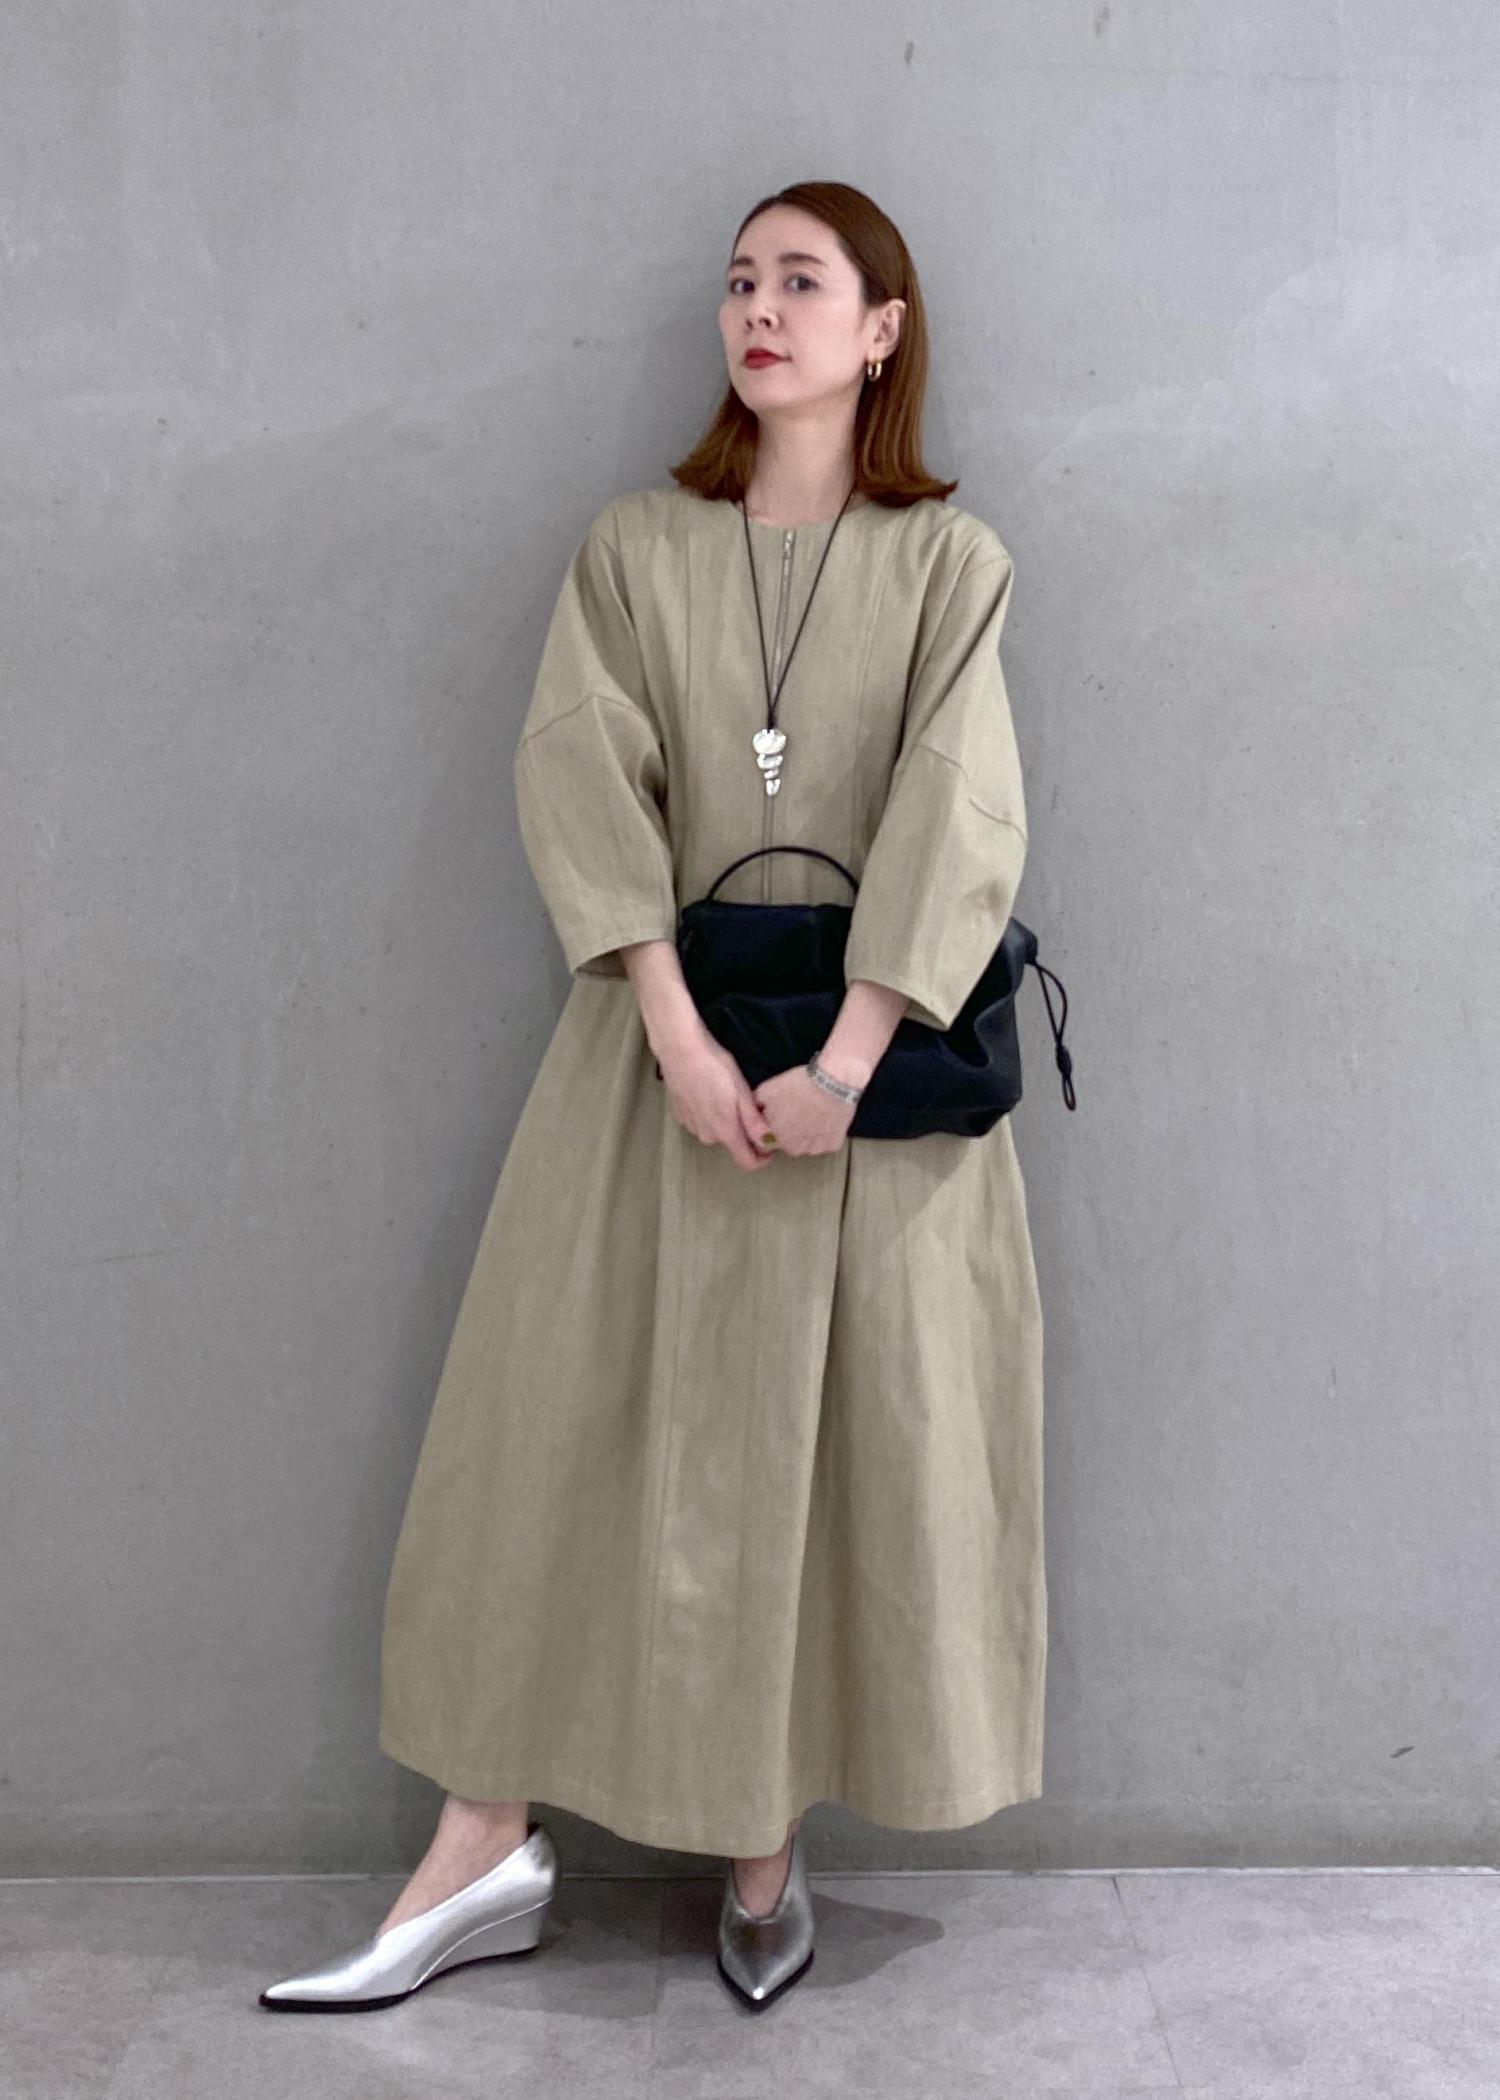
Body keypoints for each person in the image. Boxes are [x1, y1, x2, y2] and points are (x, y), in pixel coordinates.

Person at [260, 178, 1046, 2017]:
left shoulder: (950, 563)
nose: (758, 308)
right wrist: (683, 1041)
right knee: (553, 1436)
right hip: (650, 1068)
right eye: (738, 281)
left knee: (819, 1466)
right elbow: (579, 775)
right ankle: (480, 1846)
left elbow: (963, 807)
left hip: (861, 1101)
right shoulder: (635, 547)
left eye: (802, 282)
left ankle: (761, 1843)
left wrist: (842, 1065)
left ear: (881, 332)